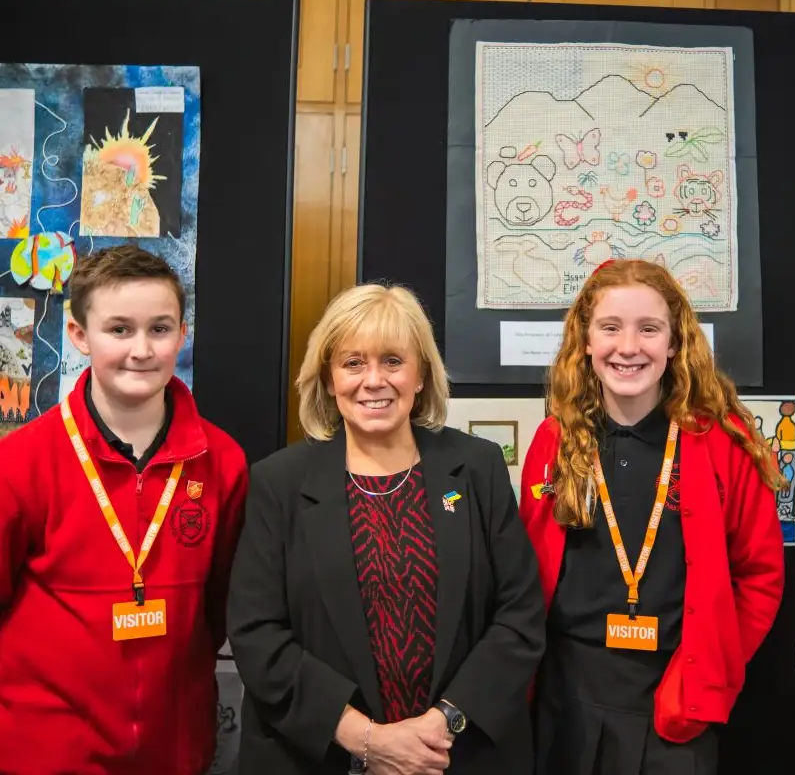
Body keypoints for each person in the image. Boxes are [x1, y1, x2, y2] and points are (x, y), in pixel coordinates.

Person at [227, 283, 546, 775]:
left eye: (393, 361)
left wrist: (442, 725)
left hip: (456, 755)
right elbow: (257, 635)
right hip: (323, 758)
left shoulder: (477, 468)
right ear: (329, 379)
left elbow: (520, 614)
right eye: (353, 363)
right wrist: (368, 739)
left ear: (420, 376)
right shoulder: (279, 483)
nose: (373, 380)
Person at [519, 259, 785, 775]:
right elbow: (523, 575)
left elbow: (760, 575)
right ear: (586, 341)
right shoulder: (555, 440)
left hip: (676, 696)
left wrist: (711, 670)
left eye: (649, 329)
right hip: (566, 696)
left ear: (674, 341)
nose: (628, 347)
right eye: (611, 328)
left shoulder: (724, 442)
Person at [0, 244, 249, 773]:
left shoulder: (222, 461)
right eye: (119, 329)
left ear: (183, 334)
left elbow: (223, 607)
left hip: (176, 750)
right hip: (46, 752)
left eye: (160, 329)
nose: (141, 349)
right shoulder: (19, 462)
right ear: (79, 336)